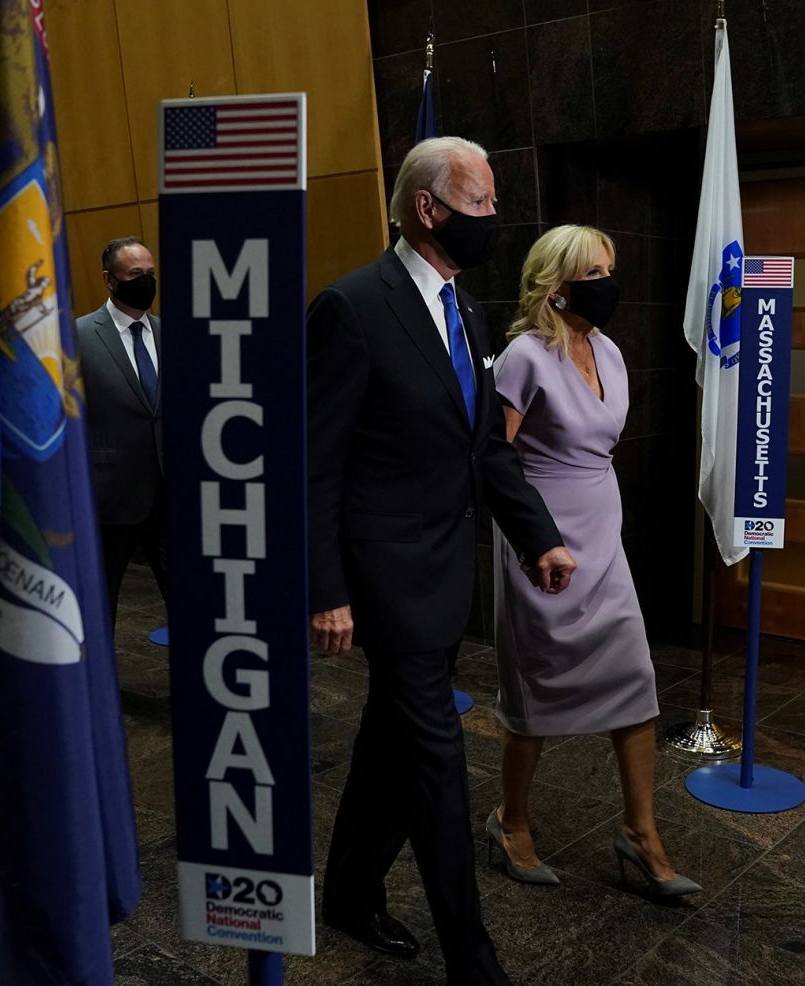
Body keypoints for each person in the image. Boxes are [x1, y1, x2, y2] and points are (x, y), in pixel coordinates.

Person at [307, 136, 578, 986]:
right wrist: (325, 590)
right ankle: (474, 960)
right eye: (483, 203)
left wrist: (539, 535)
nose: (495, 220)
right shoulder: (351, 307)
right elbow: (315, 464)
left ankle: (348, 892)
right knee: (435, 765)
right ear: (429, 209)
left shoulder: (462, 308)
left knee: (391, 744)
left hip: (445, 575)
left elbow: (484, 453)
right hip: (386, 583)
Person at [486, 225, 700, 900]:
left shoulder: (607, 349)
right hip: (543, 538)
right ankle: (510, 819)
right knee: (538, 684)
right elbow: (494, 459)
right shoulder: (522, 356)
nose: (609, 283)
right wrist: (533, 538)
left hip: (603, 532)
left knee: (633, 675)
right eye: (595, 271)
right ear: (556, 283)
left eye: (611, 268)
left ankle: (641, 833)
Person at [76, 236, 166, 633]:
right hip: (109, 494)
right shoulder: (79, 337)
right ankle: (98, 688)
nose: (145, 282)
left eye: (150, 274)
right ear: (110, 280)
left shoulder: (170, 333)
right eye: (134, 275)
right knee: (100, 601)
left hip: (169, 493)